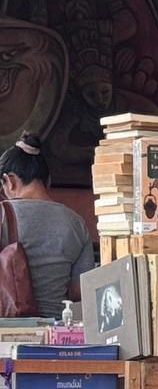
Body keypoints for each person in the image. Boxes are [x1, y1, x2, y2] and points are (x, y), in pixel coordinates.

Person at [0, 132, 91, 317]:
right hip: (55, 332)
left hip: (6, 330)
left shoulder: (2, 214)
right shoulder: (76, 222)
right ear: (47, 180)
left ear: (9, 181)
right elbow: (79, 290)